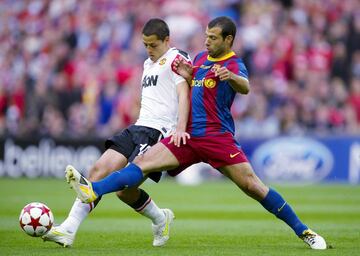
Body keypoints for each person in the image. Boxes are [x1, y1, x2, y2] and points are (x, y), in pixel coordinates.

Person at [66, 16, 327, 250]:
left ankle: (304, 231)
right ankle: (94, 189)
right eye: (206, 36)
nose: (207, 42)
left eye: (213, 38)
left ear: (228, 39)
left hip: (217, 137)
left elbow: (245, 87)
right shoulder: (200, 59)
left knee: (253, 186)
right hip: (188, 136)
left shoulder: (233, 63)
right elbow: (195, 88)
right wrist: (189, 75)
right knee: (142, 164)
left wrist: (230, 77)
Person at [42, 18, 191, 247]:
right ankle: (68, 230)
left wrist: (180, 127)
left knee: (124, 188)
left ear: (166, 40)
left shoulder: (176, 58)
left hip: (159, 131)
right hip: (138, 126)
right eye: (145, 45)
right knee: (98, 170)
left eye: (153, 45)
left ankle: (158, 218)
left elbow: (183, 93)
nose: (149, 50)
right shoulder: (147, 64)